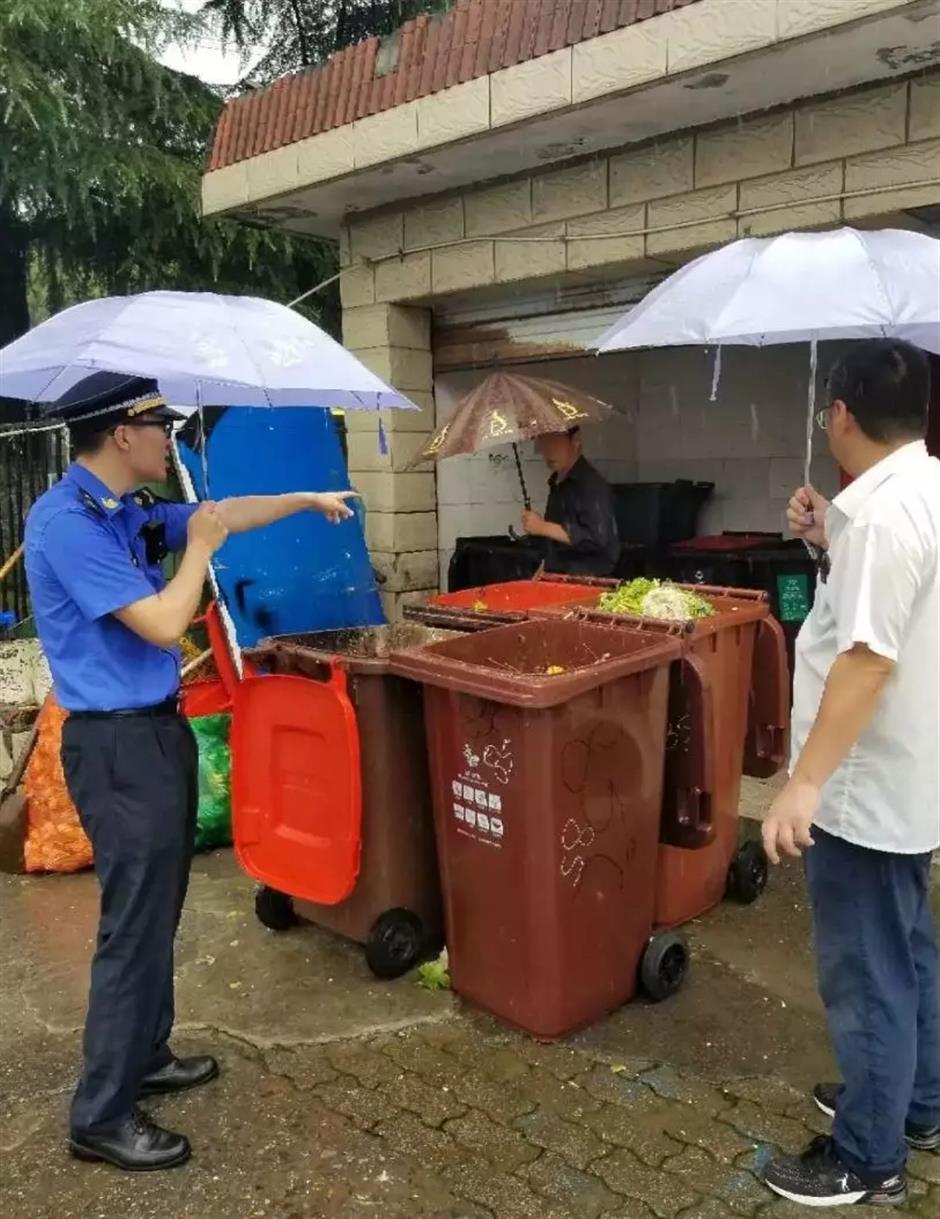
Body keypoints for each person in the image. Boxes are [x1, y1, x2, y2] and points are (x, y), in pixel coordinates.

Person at [24, 372, 358, 1173]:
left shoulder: (126, 511)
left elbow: (218, 518)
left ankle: (147, 1053)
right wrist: (199, 551)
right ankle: (100, 1113)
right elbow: (165, 621)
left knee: (159, 907)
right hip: (114, 744)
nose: (167, 438)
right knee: (131, 927)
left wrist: (304, 497)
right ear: (122, 434)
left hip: (157, 733)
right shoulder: (64, 524)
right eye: (158, 425)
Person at [760, 339, 940, 1208]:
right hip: (913, 773)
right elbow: (893, 598)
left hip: (864, 786)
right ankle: (914, 1104)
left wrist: (803, 783)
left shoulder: (880, 517)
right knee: (906, 949)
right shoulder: (922, 488)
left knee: (867, 972)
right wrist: (824, 530)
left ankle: (868, 1157)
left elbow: (866, 660)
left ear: (839, 414)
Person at [521, 427, 619, 576]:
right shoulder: (557, 483)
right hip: (559, 576)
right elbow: (555, 548)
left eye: (555, 441)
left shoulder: (591, 484)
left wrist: (542, 527)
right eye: (544, 443)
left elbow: (595, 537)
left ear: (575, 440)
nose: (549, 451)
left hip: (589, 580)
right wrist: (541, 573)